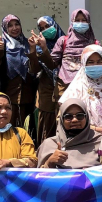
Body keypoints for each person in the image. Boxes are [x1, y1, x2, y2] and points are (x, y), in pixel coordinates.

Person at [0, 14, 37, 127]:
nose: (14, 28)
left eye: (17, 24)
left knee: (27, 128)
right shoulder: (1, 43)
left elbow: (34, 66)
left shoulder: (27, 43)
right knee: (8, 126)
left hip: (27, 93)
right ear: (5, 28)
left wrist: (33, 49)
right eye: (10, 25)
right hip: (8, 93)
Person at [59, 45, 102, 131]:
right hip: (86, 138)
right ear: (83, 63)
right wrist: (99, 130)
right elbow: (67, 121)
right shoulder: (76, 89)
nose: (95, 65)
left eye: (99, 61)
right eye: (90, 62)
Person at [44, 8, 99, 93]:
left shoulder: (94, 44)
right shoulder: (63, 41)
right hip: (65, 87)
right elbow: (52, 64)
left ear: (89, 22)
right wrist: (43, 48)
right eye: (77, 20)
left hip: (87, 88)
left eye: (84, 20)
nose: (80, 23)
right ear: (72, 22)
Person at [28, 15, 63, 145]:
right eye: (41, 28)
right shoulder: (38, 47)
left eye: (47, 26)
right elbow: (33, 70)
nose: (45, 30)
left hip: (62, 91)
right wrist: (33, 49)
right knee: (47, 133)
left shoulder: (65, 43)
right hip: (46, 94)